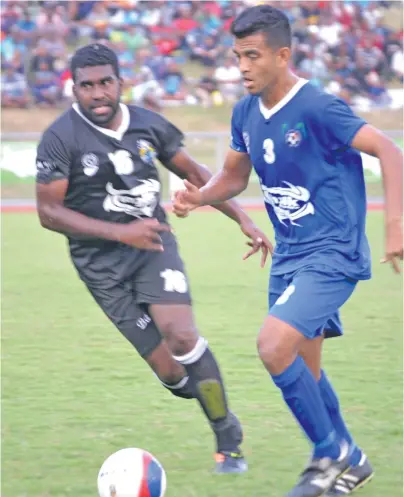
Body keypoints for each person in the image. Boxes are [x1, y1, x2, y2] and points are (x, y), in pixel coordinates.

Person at [172, 5, 403, 496]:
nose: (243, 67)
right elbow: (234, 176)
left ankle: (327, 455)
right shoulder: (245, 111)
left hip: (333, 251)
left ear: (283, 54)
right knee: (307, 370)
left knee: (272, 346)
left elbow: (389, 149)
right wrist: (199, 195)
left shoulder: (317, 107)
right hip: (291, 255)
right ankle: (352, 460)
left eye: (252, 56)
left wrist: (396, 225)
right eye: (237, 57)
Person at [35, 43, 273, 474]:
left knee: (181, 336)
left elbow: (196, 175)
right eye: (87, 86)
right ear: (74, 89)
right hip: (101, 269)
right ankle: (201, 392)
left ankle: (227, 436)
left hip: (153, 249)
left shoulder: (148, 125)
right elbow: (48, 212)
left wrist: (242, 219)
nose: (98, 94)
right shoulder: (60, 138)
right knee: (173, 376)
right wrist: (120, 231)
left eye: (106, 82)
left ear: (120, 82)